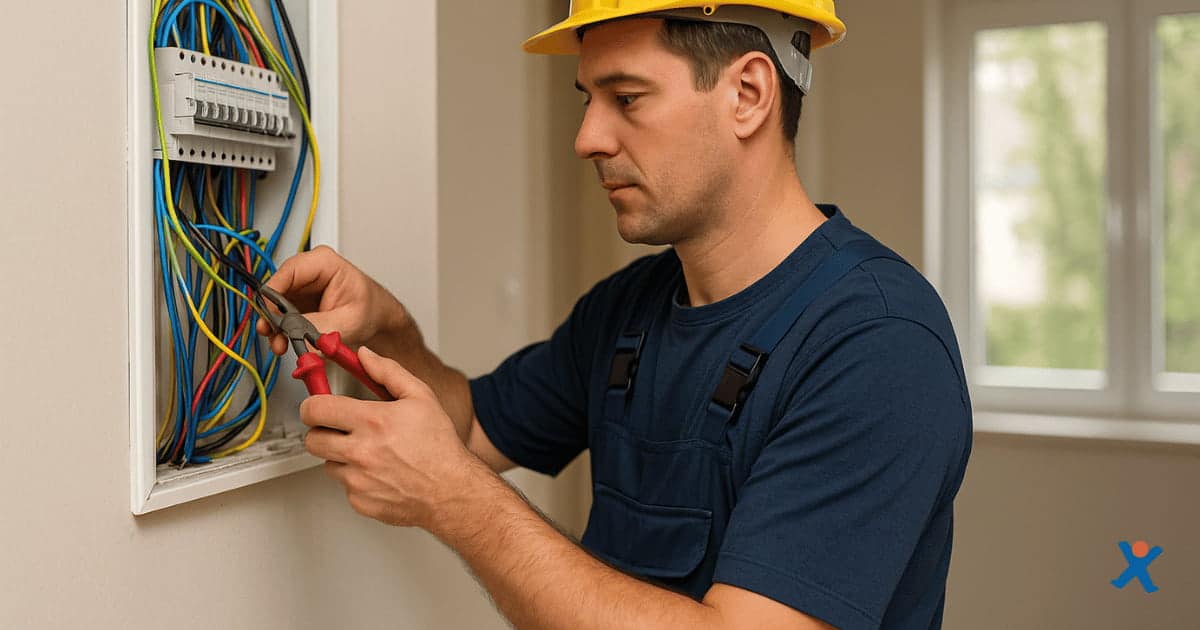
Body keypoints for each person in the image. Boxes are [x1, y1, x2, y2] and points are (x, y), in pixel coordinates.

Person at [258, 2, 972, 628]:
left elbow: (457, 473)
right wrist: (387, 329)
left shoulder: (876, 345)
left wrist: (458, 503)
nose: (587, 138)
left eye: (626, 98)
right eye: (586, 99)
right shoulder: (632, 308)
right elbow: (470, 431)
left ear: (748, 94)